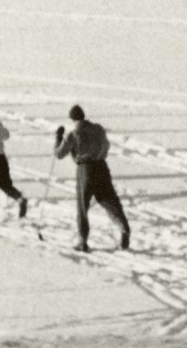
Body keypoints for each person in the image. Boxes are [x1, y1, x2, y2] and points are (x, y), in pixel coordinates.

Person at [53, 104, 130, 252]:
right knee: (110, 200)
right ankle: (124, 229)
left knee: (82, 206)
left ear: (72, 119)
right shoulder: (98, 129)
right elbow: (106, 146)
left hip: (85, 170)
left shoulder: (73, 133)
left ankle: (82, 241)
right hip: (102, 166)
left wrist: (58, 138)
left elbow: (59, 154)